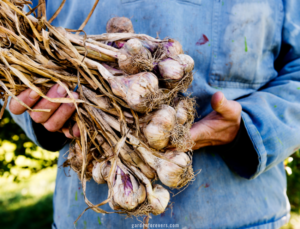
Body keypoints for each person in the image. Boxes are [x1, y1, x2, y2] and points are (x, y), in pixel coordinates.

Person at [5, 0, 300, 228]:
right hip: (90, 212)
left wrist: (251, 129)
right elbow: (12, 51)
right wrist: (40, 106)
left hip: (239, 211)